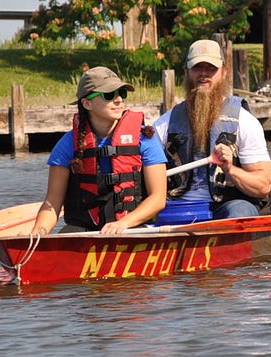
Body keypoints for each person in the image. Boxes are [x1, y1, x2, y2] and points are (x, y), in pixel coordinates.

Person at [31, 66, 168, 236]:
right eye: (109, 95)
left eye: (122, 93)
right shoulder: (67, 145)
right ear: (86, 103)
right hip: (85, 230)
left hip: (133, 226)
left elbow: (158, 199)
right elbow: (52, 202)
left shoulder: (145, 139)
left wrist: (123, 223)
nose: (118, 100)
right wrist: (39, 232)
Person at [152, 39, 271, 220]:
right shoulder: (164, 124)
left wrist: (230, 169)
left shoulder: (245, 122)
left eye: (211, 69)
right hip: (177, 206)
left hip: (227, 206)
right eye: (197, 68)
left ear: (224, 72)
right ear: (186, 72)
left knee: (240, 212)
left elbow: (263, 186)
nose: (203, 74)